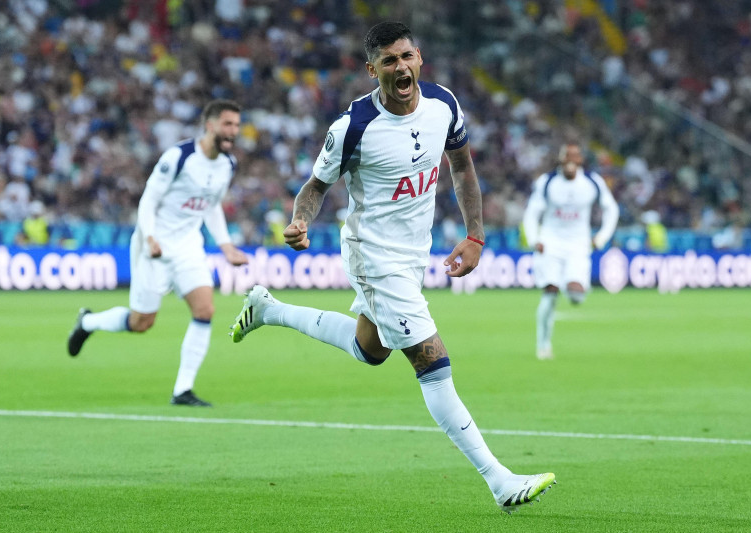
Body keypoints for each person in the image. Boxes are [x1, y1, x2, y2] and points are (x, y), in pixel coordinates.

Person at [229, 22, 555, 513]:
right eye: (389, 61)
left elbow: (462, 166)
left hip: (412, 255)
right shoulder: (353, 126)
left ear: (419, 57)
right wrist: (299, 220)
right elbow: (315, 187)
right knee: (432, 361)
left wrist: (475, 235)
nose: (400, 67)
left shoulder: (444, 104)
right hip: (371, 255)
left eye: (406, 57)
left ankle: (268, 310)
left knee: (371, 348)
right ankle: (499, 480)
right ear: (372, 69)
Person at [67, 99, 249, 406]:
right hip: (155, 245)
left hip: (189, 245)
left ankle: (182, 390)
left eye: (236, 125)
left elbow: (211, 205)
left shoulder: (227, 164)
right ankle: (88, 322)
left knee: (205, 310)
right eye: (228, 124)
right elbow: (148, 200)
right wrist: (150, 237)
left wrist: (225, 245)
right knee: (141, 323)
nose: (234, 131)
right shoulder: (179, 157)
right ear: (210, 125)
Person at [523, 142, 619, 360]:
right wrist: (534, 239)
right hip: (551, 242)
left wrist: (602, 237)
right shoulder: (547, 182)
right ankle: (543, 345)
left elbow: (611, 209)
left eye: (574, 156)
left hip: (578, 244)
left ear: (580, 160)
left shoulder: (592, 183)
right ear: (560, 159)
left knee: (576, 296)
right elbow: (532, 212)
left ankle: (570, 284)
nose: (569, 160)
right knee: (550, 293)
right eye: (566, 156)